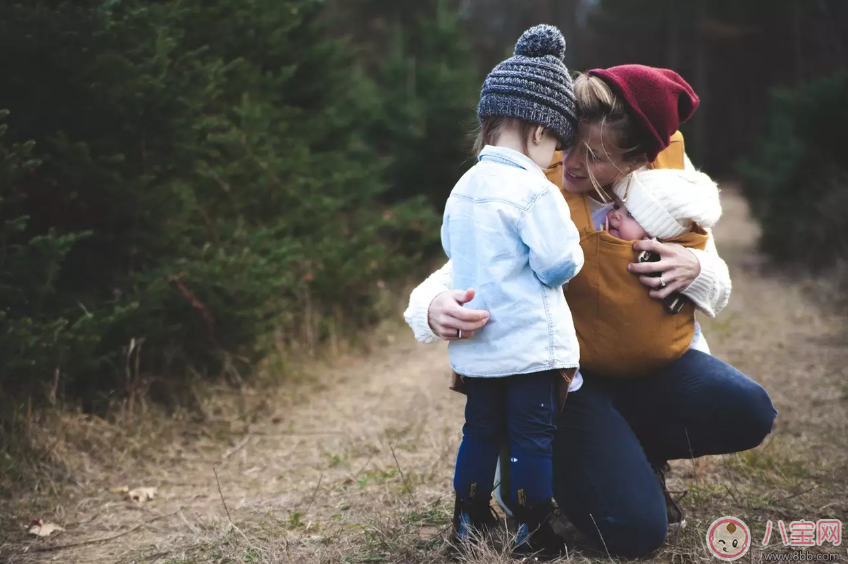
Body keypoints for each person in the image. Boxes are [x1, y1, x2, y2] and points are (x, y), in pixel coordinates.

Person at [404, 64, 777, 557]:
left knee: (749, 410)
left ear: (639, 159)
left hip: (651, 371)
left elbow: (717, 279)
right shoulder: (537, 184)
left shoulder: (667, 193)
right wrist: (430, 306)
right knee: (636, 533)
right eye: (570, 144)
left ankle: (633, 452)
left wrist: (697, 269)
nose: (572, 162)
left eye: (595, 156)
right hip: (566, 384)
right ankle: (564, 456)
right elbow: (469, 262)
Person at [443, 24, 582, 556]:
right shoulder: (533, 189)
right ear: (539, 132)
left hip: (478, 349)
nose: (555, 158)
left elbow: (453, 247)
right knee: (530, 440)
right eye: (557, 145)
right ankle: (532, 528)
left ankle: (468, 519)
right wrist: (573, 247)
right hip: (529, 348)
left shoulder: (464, 186)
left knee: (478, 431)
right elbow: (556, 265)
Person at [568, 166, 722, 378]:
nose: (614, 216)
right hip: (594, 363)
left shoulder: (673, 253)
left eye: (630, 214)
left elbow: (718, 294)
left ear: (657, 235)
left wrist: (698, 269)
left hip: (670, 358)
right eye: (617, 206)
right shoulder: (589, 232)